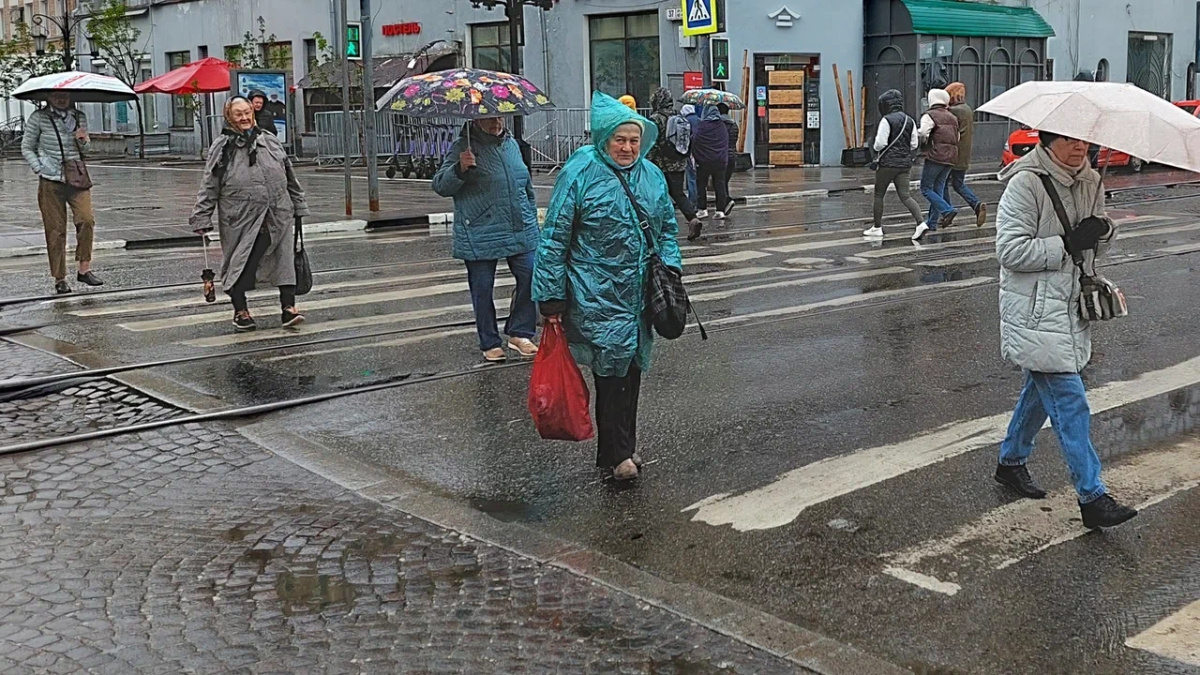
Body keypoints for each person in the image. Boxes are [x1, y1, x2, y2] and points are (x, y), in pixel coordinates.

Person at [533, 92, 682, 482]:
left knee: (631, 371)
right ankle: (619, 455)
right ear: (604, 138)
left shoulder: (651, 175)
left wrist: (671, 267)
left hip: (639, 294)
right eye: (620, 139)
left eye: (634, 140)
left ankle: (618, 449)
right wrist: (550, 295)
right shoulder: (580, 171)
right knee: (611, 373)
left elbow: (667, 227)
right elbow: (555, 237)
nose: (628, 147)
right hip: (594, 292)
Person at [993, 129, 1137, 529]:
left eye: (1086, 142)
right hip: (1035, 309)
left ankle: (1010, 460)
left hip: (1071, 306)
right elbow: (1009, 251)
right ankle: (1092, 496)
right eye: (1072, 141)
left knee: (1039, 394)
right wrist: (1066, 244)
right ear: (1048, 141)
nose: (1081, 148)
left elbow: (1096, 244)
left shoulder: (1091, 180)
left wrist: (1103, 231)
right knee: (1070, 400)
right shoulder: (1026, 184)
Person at [190, 97, 309, 332]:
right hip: (240, 215)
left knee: (284, 260)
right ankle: (241, 311)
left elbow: (289, 174)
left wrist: (299, 204)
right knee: (240, 261)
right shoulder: (223, 146)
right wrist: (202, 216)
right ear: (229, 117)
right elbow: (210, 183)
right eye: (238, 114)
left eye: (247, 112)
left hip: (277, 212)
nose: (244, 118)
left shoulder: (269, 140)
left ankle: (288, 308)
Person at [432, 117, 539, 362]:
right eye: (489, 117)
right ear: (476, 119)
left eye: (500, 116)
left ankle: (520, 332)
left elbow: (525, 184)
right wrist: (459, 169)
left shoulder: (511, 144)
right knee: (482, 287)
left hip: (518, 225)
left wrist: (530, 215)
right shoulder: (463, 146)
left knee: (532, 274)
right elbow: (440, 185)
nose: (496, 122)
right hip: (481, 228)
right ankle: (489, 341)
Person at [21, 92, 102, 294]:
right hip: (50, 180)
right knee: (55, 230)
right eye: (56, 95)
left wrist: (84, 141)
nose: (61, 99)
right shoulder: (39, 117)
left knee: (86, 220)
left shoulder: (78, 116)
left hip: (76, 177)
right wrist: (39, 167)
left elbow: (87, 150)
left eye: (64, 95)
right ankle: (60, 278)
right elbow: (27, 147)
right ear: (49, 97)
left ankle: (84, 269)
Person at [863, 89, 923, 237]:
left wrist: (875, 148)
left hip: (887, 164)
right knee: (905, 195)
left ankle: (877, 228)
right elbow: (914, 144)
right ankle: (921, 223)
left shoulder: (887, 120)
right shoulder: (910, 120)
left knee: (879, 194)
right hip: (904, 164)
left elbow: (879, 144)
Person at [646, 87, 702, 240]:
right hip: (679, 162)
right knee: (678, 193)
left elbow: (652, 143)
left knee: (658, 195)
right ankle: (692, 218)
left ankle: (661, 227)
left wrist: (648, 162)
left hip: (660, 165)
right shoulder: (678, 115)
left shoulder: (655, 119)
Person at [914, 88, 959, 241]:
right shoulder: (953, 117)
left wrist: (921, 144)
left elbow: (923, 133)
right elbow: (957, 136)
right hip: (951, 157)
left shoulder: (930, 115)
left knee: (926, 188)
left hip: (935, 156)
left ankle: (947, 210)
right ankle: (932, 222)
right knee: (937, 189)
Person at [941, 82, 986, 228]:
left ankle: (947, 212)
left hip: (953, 154)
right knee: (958, 183)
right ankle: (976, 205)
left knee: (942, 184)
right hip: (964, 154)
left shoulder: (954, 111)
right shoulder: (967, 109)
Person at [692, 104, 732, 222]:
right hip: (720, 161)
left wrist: (697, 156)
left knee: (701, 184)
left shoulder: (702, 126)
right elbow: (725, 142)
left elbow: (696, 141)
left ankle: (702, 209)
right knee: (719, 184)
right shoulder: (722, 126)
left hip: (704, 161)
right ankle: (720, 210)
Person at [717, 102, 739, 208]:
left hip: (722, 156)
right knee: (724, 181)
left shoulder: (719, 125)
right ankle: (725, 202)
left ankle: (726, 201)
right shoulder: (734, 124)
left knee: (720, 181)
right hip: (732, 156)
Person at [681, 104, 700, 208]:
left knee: (691, 177)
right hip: (700, 153)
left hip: (690, 152)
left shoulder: (685, 121)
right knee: (697, 177)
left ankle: (692, 202)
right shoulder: (699, 119)